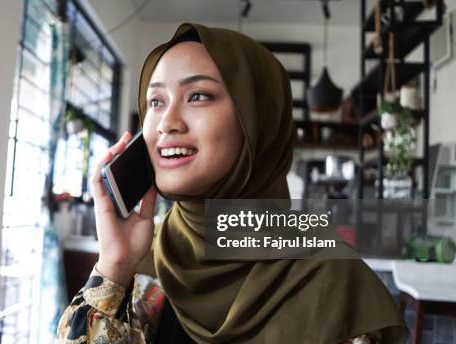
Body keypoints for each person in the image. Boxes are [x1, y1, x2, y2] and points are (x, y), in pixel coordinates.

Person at [56, 23, 408, 344]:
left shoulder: (334, 278)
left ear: (257, 123)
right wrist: (113, 265)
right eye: (155, 101)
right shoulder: (140, 261)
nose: (166, 123)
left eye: (198, 96)